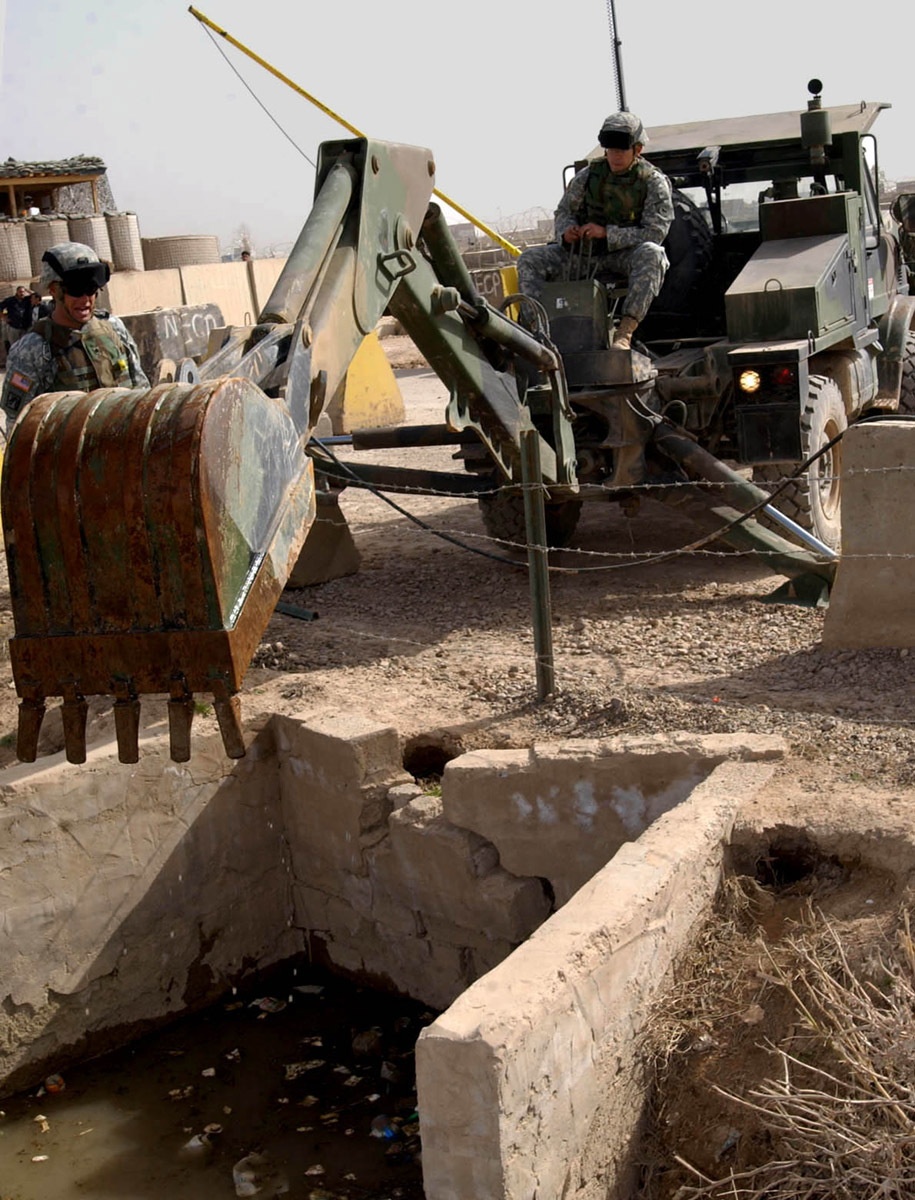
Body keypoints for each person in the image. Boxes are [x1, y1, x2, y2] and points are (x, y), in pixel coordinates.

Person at [517, 111, 674, 350]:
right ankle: (536, 333)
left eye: (622, 149)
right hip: (583, 256)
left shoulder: (652, 182)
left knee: (653, 254)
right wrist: (566, 232)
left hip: (623, 257)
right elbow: (564, 211)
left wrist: (607, 234)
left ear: (637, 150)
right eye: (611, 149)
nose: (615, 155)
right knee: (529, 259)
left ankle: (625, 332)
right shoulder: (588, 177)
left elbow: (654, 232)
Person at [1, 241, 149, 435]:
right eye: (76, 289)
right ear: (54, 290)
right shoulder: (33, 349)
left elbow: (142, 390)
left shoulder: (113, 329)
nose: (85, 299)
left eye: (91, 288)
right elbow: (19, 426)